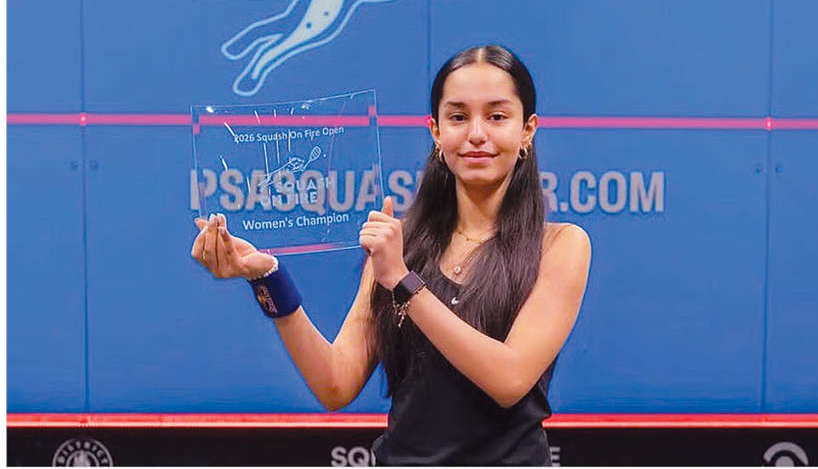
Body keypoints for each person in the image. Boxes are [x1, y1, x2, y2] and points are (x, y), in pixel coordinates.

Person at [191, 44, 592, 465]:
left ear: (527, 130)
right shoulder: (400, 246)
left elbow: (509, 379)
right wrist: (268, 278)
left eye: (496, 116)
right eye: (458, 117)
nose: (476, 134)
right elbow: (335, 384)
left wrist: (403, 282)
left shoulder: (560, 245)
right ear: (436, 131)